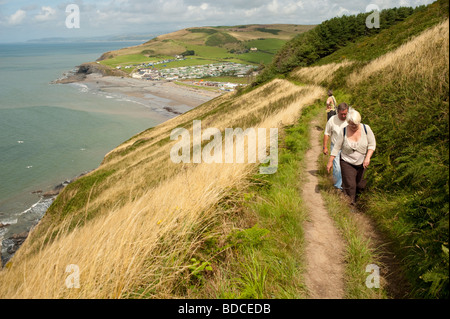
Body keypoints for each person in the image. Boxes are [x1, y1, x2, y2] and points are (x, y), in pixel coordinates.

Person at [327, 108, 376, 205]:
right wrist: (330, 161)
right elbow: (336, 147)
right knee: (350, 185)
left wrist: (368, 158)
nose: (353, 126)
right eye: (350, 124)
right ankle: (350, 205)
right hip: (347, 161)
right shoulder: (344, 131)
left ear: (359, 121)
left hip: (362, 162)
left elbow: (372, 145)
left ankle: (359, 201)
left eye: (355, 124)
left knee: (361, 185)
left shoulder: (366, 129)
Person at [323, 103, 349, 190]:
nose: (343, 116)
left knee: (346, 168)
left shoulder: (350, 119)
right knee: (337, 167)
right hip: (335, 147)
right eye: (341, 114)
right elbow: (327, 134)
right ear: (337, 112)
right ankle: (338, 187)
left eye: (345, 114)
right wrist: (325, 147)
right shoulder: (332, 120)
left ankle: (345, 186)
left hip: (347, 148)